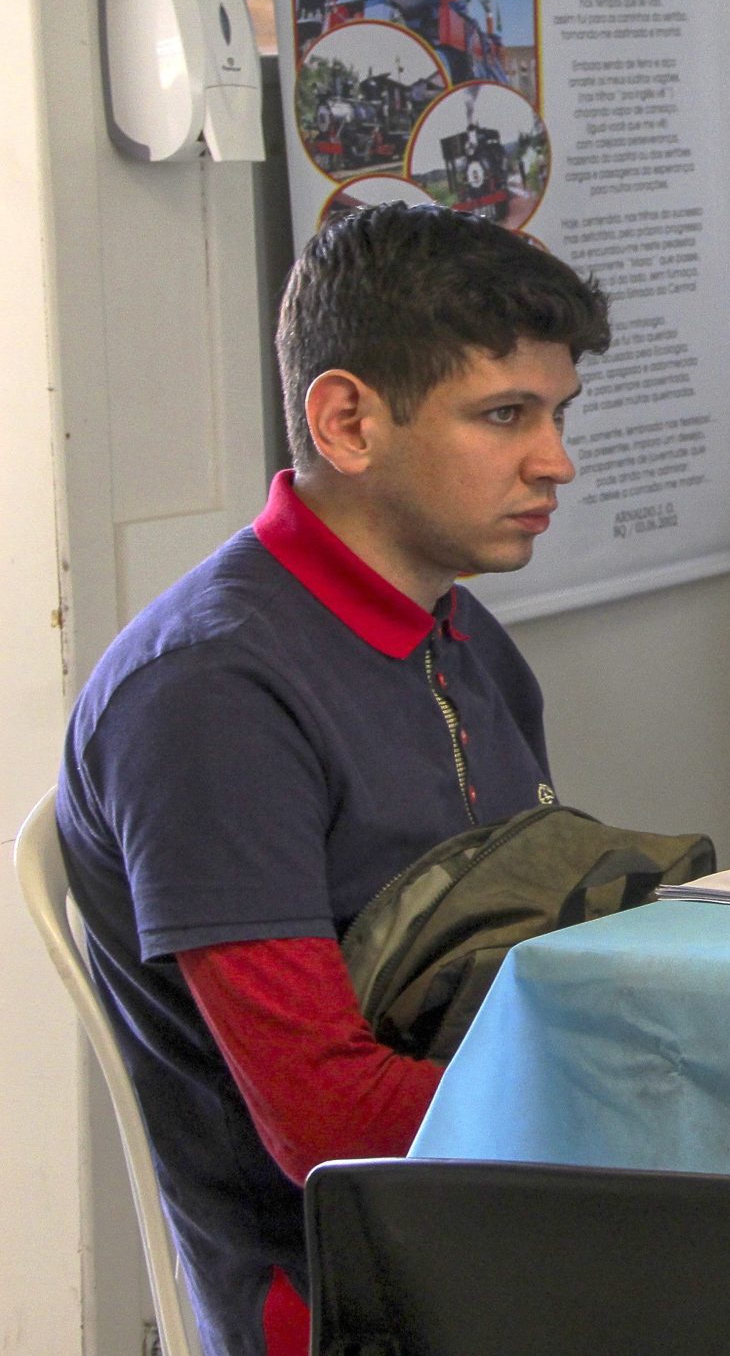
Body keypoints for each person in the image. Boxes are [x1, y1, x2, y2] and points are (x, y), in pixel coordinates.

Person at [53, 203, 612, 1356]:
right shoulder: (210, 695)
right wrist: (649, 1101)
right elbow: (332, 1125)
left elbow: (523, 958)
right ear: (348, 421)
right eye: (504, 414)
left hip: (511, 1227)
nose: (554, 460)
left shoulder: (460, 631)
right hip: (354, 1298)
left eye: (557, 414)